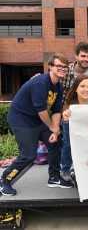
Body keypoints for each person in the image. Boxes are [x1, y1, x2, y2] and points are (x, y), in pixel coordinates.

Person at [0, 53, 72, 196]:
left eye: (65, 67)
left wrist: (55, 130)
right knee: (28, 155)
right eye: (59, 66)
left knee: (55, 142)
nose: (62, 69)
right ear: (50, 67)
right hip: (21, 119)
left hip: (37, 120)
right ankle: (5, 181)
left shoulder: (58, 86)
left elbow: (57, 110)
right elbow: (41, 110)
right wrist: (51, 127)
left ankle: (54, 177)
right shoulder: (41, 83)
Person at [61, 75, 88, 181]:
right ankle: (68, 170)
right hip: (77, 156)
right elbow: (67, 142)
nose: (86, 89)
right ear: (75, 89)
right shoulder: (69, 109)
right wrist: (66, 121)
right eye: (82, 86)